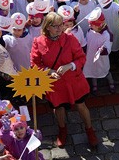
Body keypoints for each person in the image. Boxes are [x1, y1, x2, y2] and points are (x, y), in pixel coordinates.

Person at [30, 11, 98, 148]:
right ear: (47, 27)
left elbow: (81, 58)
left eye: (61, 25)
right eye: (55, 26)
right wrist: (48, 71)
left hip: (74, 81)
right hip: (55, 84)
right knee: (59, 108)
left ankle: (89, 130)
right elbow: (35, 64)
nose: (60, 28)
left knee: (81, 105)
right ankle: (62, 130)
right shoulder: (38, 42)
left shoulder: (70, 38)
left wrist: (70, 66)